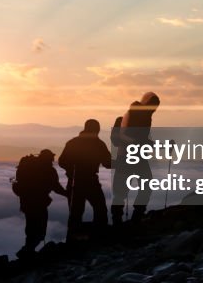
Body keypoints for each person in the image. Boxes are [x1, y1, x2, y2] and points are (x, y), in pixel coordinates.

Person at [110, 92, 160, 225]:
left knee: (120, 192)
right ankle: (136, 218)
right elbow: (141, 140)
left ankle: (118, 222)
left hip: (125, 157)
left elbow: (120, 140)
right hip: (136, 158)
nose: (154, 110)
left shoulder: (130, 118)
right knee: (146, 187)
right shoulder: (141, 118)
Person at [58, 119, 112, 239]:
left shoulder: (73, 143)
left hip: (74, 181)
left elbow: (62, 161)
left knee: (75, 213)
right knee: (100, 209)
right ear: (96, 130)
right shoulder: (99, 144)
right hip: (90, 181)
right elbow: (108, 163)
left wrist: (71, 169)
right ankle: (100, 235)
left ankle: (72, 240)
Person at [12, 149, 68, 257]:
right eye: (52, 158)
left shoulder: (28, 166)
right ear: (48, 158)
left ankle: (28, 250)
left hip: (26, 202)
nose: (53, 160)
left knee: (31, 227)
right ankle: (27, 251)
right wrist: (67, 194)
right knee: (40, 229)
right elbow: (56, 187)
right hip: (39, 203)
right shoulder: (49, 170)